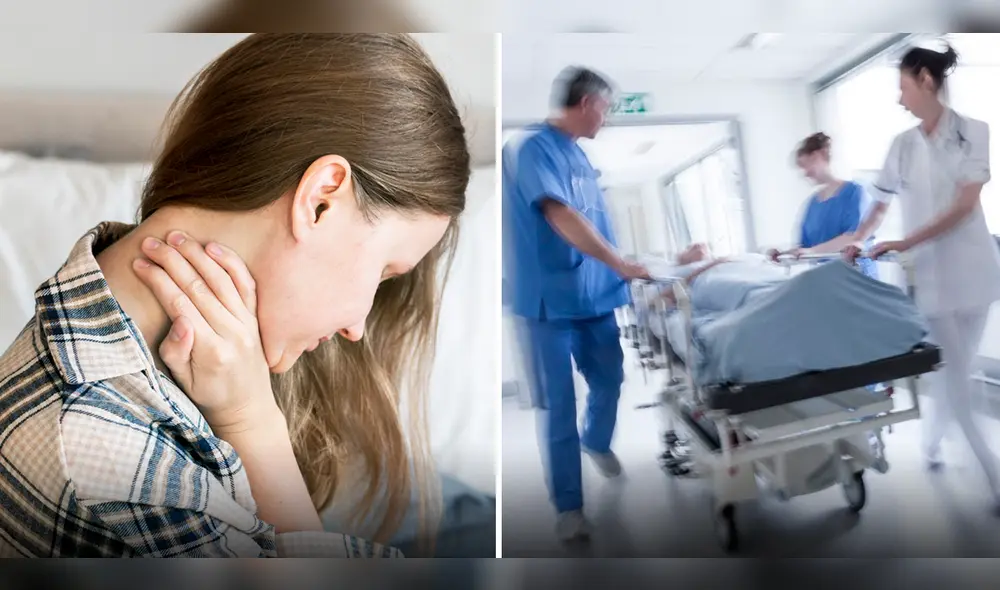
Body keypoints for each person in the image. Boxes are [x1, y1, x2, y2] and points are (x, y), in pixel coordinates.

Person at [0, 34, 470, 557]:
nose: (357, 327)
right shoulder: (125, 489)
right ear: (321, 201)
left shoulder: (100, 291)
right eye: (383, 272)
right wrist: (257, 428)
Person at [843, 43, 1000, 511]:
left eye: (903, 86)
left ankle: (931, 445)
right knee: (959, 380)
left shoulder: (975, 132)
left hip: (975, 271)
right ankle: (994, 476)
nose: (900, 98)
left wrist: (905, 242)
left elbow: (964, 205)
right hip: (934, 281)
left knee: (957, 373)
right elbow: (879, 205)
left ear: (926, 80)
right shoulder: (902, 146)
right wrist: (860, 238)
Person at [502, 66, 649, 542]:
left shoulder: (581, 158)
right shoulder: (529, 148)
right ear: (586, 103)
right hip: (547, 302)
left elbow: (597, 222)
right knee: (559, 405)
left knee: (610, 378)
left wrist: (624, 266)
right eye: (605, 109)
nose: (606, 119)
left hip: (595, 296)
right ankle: (569, 507)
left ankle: (597, 441)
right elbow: (559, 213)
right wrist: (619, 262)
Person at [769, 133, 878, 280]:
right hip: (827, 281)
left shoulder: (855, 192)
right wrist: (784, 253)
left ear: (820, 155)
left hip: (857, 278)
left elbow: (853, 237)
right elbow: (804, 246)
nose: (805, 173)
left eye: (806, 165)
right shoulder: (812, 204)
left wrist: (811, 251)